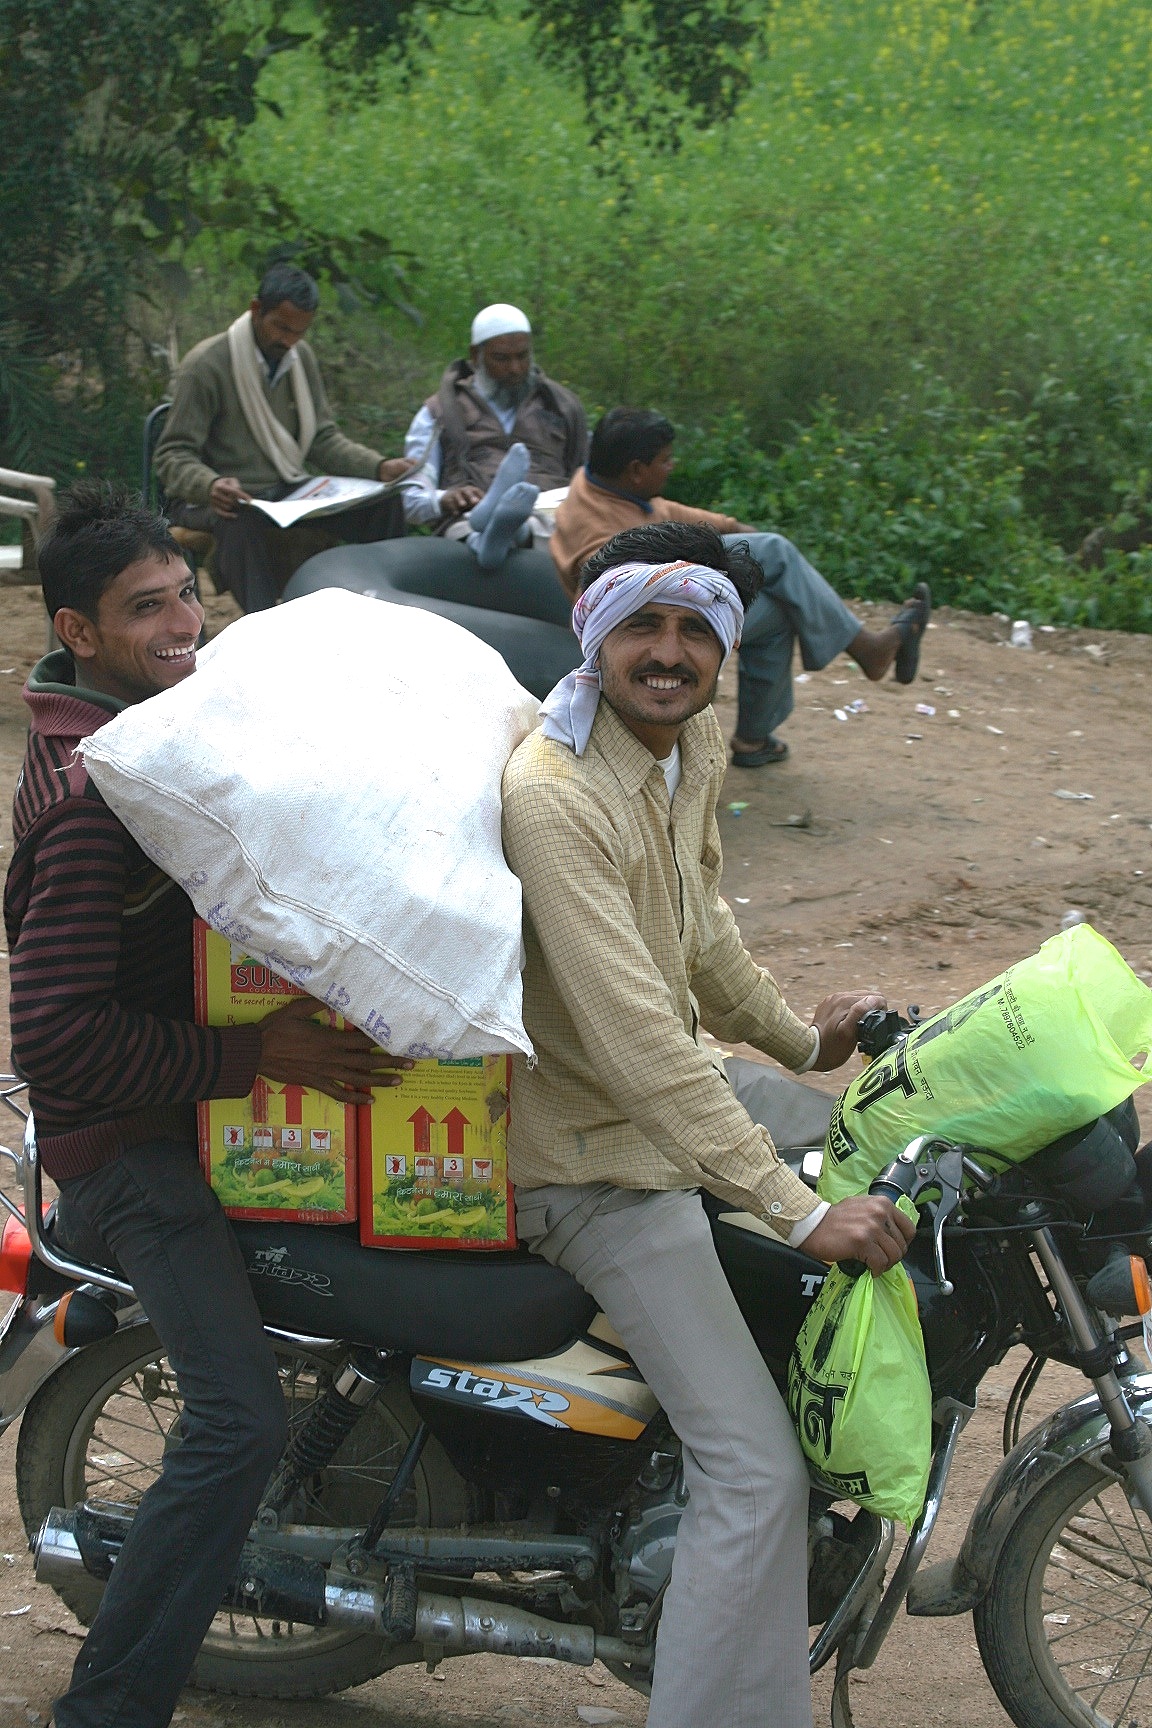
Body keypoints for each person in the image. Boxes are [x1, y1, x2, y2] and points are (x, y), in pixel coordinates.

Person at [3, 482, 411, 1728]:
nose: (184, 621)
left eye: (186, 591)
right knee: (234, 1422)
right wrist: (258, 1056)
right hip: (127, 1151)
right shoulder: (91, 800)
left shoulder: (130, 737)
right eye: (146, 609)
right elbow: (51, 1034)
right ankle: (107, 1709)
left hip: (187, 1115)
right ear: (78, 630)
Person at [501, 520, 915, 1728]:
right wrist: (801, 1213)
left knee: (848, 1130)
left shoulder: (685, 749)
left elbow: (701, 934)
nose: (670, 653)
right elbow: (639, 1050)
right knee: (754, 1468)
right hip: (596, 1166)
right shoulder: (556, 799)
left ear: (728, 647)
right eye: (644, 626)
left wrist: (803, 1045)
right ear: (596, 635)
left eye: (696, 629)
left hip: (672, 1113)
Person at [549, 407, 932, 765]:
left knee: (771, 554)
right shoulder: (601, 531)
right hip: (637, 626)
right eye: (664, 460)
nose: (672, 466)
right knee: (779, 595)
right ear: (635, 470)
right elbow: (619, 595)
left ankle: (770, 726)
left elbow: (668, 514)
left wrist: (735, 531)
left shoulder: (603, 485)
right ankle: (846, 665)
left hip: (663, 605)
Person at [155, 262, 414, 612]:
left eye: (299, 332)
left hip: (284, 490)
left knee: (384, 504)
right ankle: (265, 623)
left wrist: (379, 467)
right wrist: (210, 485)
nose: (288, 340)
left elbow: (322, 438)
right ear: (256, 310)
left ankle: (383, 608)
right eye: (280, 327)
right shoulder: (207, 365)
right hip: (217, 499)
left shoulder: (299, 358)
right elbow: (172, 455)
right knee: (239, 520)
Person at [401, 302, 588, 569]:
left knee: (552, 524)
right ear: (476, 355)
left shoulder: (563, 407)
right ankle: (494, 524)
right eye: (502, 358)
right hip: (466, 519)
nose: (515, 368)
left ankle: (507, 529)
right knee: (469, 528)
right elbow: (411, 497)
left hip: (551, 520)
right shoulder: (441, 410)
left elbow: (589, 480)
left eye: (523, 356)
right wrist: (443, 499)